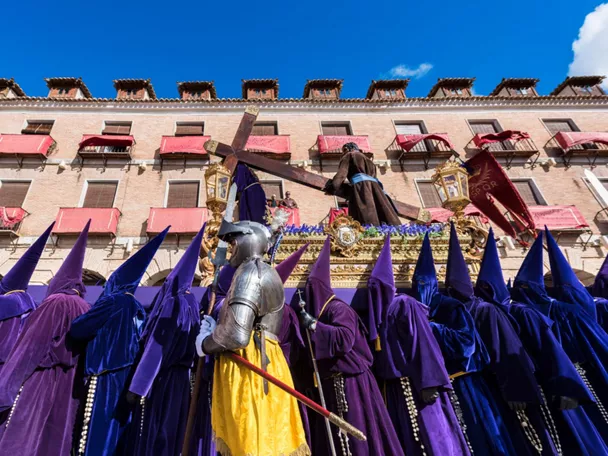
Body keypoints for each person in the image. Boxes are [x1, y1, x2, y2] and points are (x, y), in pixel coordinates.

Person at [483, 229, 608, 455]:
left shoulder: (565, 312)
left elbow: (592, 344)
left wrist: (569, 383)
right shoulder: (523, 311)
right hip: (552, 381)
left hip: (576, 377)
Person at [196, 220, 309, 456]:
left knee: (251, 440)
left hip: (250, 363)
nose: (231, 249)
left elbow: (236, 335)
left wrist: (205, 342)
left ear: (249, 241)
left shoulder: (249, 273)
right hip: (266, 359)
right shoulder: (263, 270)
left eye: (234, 242)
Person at [443, 225, 559, 455]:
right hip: (487, 386)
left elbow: (507, 350)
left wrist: (517, 390)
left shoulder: (486, 310)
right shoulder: (457, 311)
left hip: (508, 385)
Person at [412, 228, 521, 455]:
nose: (421, 288)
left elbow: (465, 342)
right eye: (418, 284)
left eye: (425, 283)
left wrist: (431, 327)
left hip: (469, 383)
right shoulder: (417, 310)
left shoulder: (451, 306)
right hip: (444, 389)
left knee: (485, 435)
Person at [298, 236, 403, 456]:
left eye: (312, 288)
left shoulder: (338, 309)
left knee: (360, 436)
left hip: (354, 384)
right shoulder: (326, 312)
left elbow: (344, 339)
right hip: (334, 385)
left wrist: (315, 326)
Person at [69, 227, 170, 456]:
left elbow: (79, 329)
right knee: (119, 432)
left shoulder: (113, 301)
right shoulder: (136, 308)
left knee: (95, 434)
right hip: (127, 377)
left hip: (105, 376)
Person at [369, 235, 470, 456]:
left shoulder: (406, 304)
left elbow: (423, 344)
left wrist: (430, 382)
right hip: (399, 389)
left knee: (436, 439)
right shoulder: (381, 314)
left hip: (420, 385)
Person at [0, 220, 92, 456]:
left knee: (24, 442)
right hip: (70, 386)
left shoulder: (55, 302)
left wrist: (4, 390)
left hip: (41, 383)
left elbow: (31, 348)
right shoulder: (85, 307)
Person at [126, 225, 204, 456]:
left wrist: (138, 387)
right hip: (183, 379)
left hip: (166, 379)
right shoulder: (193, 305)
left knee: (160, 437)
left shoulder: (173, 303)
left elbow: (156, 350)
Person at [323, 142, 401, 226]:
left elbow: (341, 175)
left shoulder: (349, 155)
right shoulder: (369, 161)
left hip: (361, 188)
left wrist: (332, 188)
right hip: (376, 189)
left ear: (349, 149)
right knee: (383, 213)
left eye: (343, 150)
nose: (343, 153)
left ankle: (370, 234)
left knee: (365, 216)